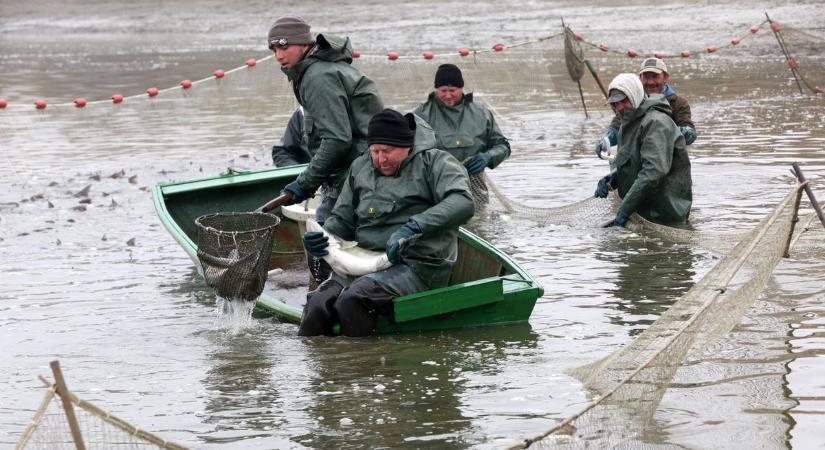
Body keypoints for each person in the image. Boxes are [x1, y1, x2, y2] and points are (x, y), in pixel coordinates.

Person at [298, 109, 474, 337]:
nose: (381, 159)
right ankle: (324, 369)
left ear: (407, 145)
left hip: (416, 264)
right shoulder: (360, 167)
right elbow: (341, 220)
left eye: (388, 151)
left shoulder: (436, 163)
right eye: (375, 151)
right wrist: (323, 239)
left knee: (353, 300)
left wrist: (414, 226)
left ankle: (364, 366)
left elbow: (463, 202)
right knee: (317, 305)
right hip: (364, 262)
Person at [267, 15, 384, 220]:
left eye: (284, 48)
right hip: (356, 175)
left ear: (305, 44)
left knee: (322, 237)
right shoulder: (318, 70)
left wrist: (305, 182)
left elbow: (337, 139)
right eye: (274, 50)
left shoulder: (317, 76)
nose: (278, 55)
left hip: (356, 179)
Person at [594, 73, 692, 226]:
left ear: (635, 95)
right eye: (614, 103)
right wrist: (613, 179)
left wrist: (625, 209)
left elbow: (653, 172)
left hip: (664, 215)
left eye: (623, 101)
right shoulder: (628, 123)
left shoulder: (656, 123)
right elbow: (634, 163)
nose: (619, 107)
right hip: (642, 210)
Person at [413, 64, 510, 206]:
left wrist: (488, 157)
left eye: (453, 90)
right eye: (443, 90)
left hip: (475, 187)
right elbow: (405, 151)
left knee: (478, 223)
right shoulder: (421, 114)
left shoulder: (481, 113)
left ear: (461, 88)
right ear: (436, 89)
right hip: (436, 188)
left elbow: (503, 145)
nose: (448, 95)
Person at [595, 57, 696, 159]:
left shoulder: (678, 103)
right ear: (640, 79)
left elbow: (690, 134)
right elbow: (616, 127)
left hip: (670, 156)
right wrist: (605, 140)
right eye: (646, 77)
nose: (650, 82)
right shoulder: (633, 101)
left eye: (655, 76)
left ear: (665, 77)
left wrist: (665, 133)